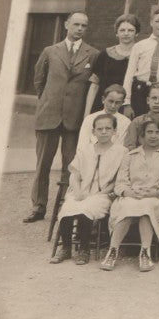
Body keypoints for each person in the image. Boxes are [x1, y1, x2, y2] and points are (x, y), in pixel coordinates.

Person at [25, 12, 98, 223]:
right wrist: (49, 102)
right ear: (67, 25)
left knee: (71, 164)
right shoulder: (50, 51)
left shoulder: (93, 54)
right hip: (49, 115)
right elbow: (39, 81)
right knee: (42, 164)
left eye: (84, 25)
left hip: (74, 119)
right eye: (76, 24)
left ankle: (65, 206)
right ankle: (38, 206)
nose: (80, 29)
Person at [101, 115, 159, 272]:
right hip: (131, 195)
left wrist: (155, 193)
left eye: (158, 132)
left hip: (157, 199)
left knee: (146, 207)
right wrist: (129, 192)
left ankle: (145, 252)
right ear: (142, 134)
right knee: (128, 205)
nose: (153, 136)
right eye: (149, 132)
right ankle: (113, 250)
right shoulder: (130, 155)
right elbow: (120, 183)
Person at [52, 112, 125, 265]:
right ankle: (66, 248)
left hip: (103, 194)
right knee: (67, 208)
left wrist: (101, 193)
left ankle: (84, 249)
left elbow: (118, 180)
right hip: (81, 191)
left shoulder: (121, 152)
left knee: (87, 209)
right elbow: (75, 174)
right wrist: (78, 191)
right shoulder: (85, 150)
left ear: (114, 131)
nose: (103, 132)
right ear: (93, 132)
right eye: (100, 129)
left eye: (108, 128)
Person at [85, 13, 139, 116]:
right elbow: (94, 85)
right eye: (122, 30)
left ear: (136, 33)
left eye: (130, 30)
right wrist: (87, 114)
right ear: (116, 33)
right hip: (104, 106)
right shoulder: (105, 54)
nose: (126, 33)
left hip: (131, 108)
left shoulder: (142, 55)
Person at [75, 84, 132, 167]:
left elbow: (120, 146)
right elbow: (82, 146)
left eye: (117, 103)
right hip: (89, 160)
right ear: (103, 99)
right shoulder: (90, 118)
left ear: (122, 103)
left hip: (113, 162)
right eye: (110, 101)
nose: (113, 106)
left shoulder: (126, 122)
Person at [120, 81, 159, 152]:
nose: (156, 102)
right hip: (138, 157)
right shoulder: (137, 121)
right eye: (154, 98)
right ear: (148, 100)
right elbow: (129, 146)